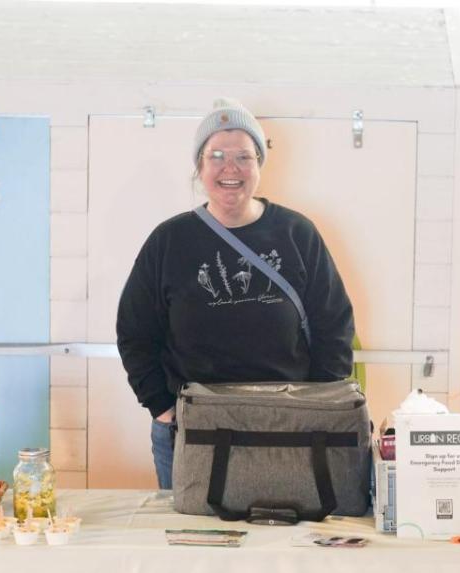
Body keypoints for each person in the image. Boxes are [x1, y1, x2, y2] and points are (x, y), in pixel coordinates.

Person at [117, 98, 356, 489]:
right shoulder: (169, 240)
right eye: (217, 156)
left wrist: (316, 409)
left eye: (244, 156)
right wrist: (161, 407)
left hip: (285, 429)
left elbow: (335, 326)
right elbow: (134, 330)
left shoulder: (298, 233)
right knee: (191, 542)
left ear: (260, 164)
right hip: (193, 430)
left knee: (280, 542)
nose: (231, 168)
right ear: (200, 166)